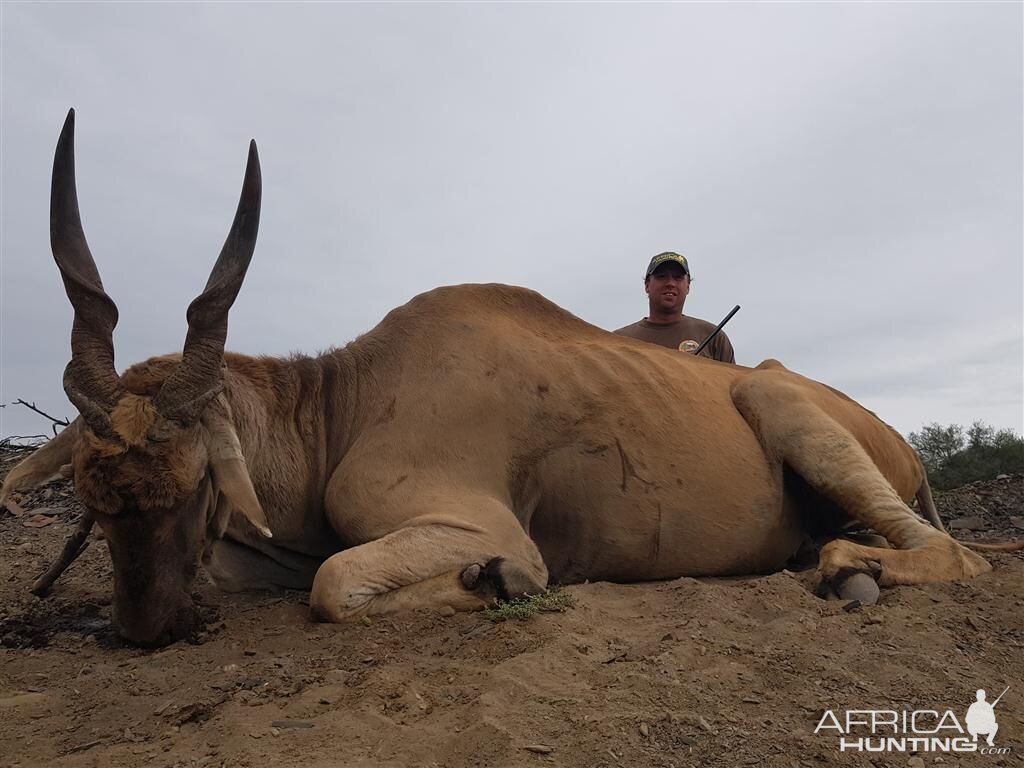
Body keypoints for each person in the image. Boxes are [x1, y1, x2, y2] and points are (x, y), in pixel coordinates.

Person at [614, 251, 736, 363]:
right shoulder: (618, 340)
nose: (670, 283)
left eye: (678, 278)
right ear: (647, 285)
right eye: (661, 276)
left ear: (688, 286)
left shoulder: (714, 337)